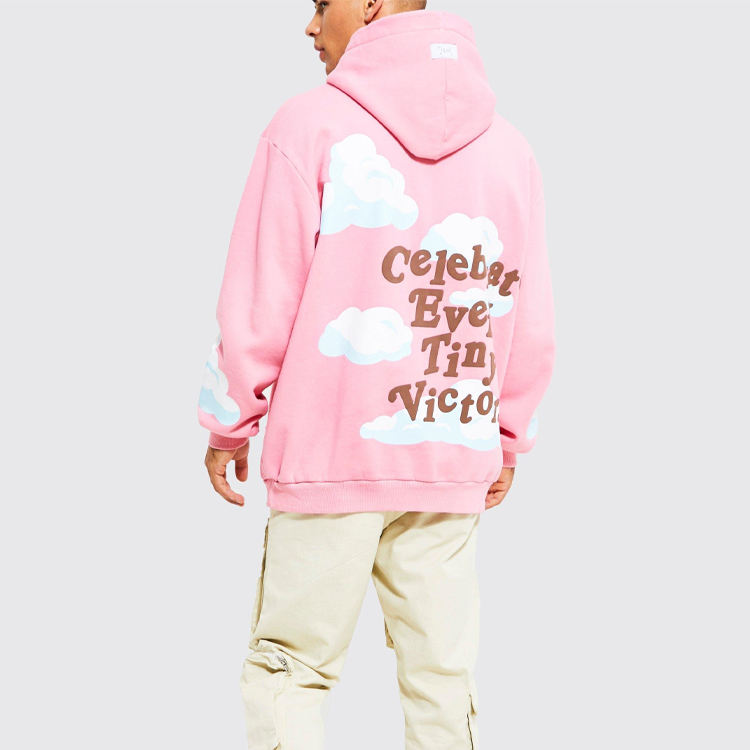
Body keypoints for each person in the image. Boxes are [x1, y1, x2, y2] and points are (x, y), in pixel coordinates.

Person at [197, 1, 555, 747]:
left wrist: (230, 420)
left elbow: (261, 292)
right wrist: (507, 434)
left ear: (368, 4)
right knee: (440, 677)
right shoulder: (509, 148)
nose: (309, 26)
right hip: (450, 454)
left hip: (328, 458)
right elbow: (527, 310)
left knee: (293, 668)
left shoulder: (308, 126)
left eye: (320, 3)